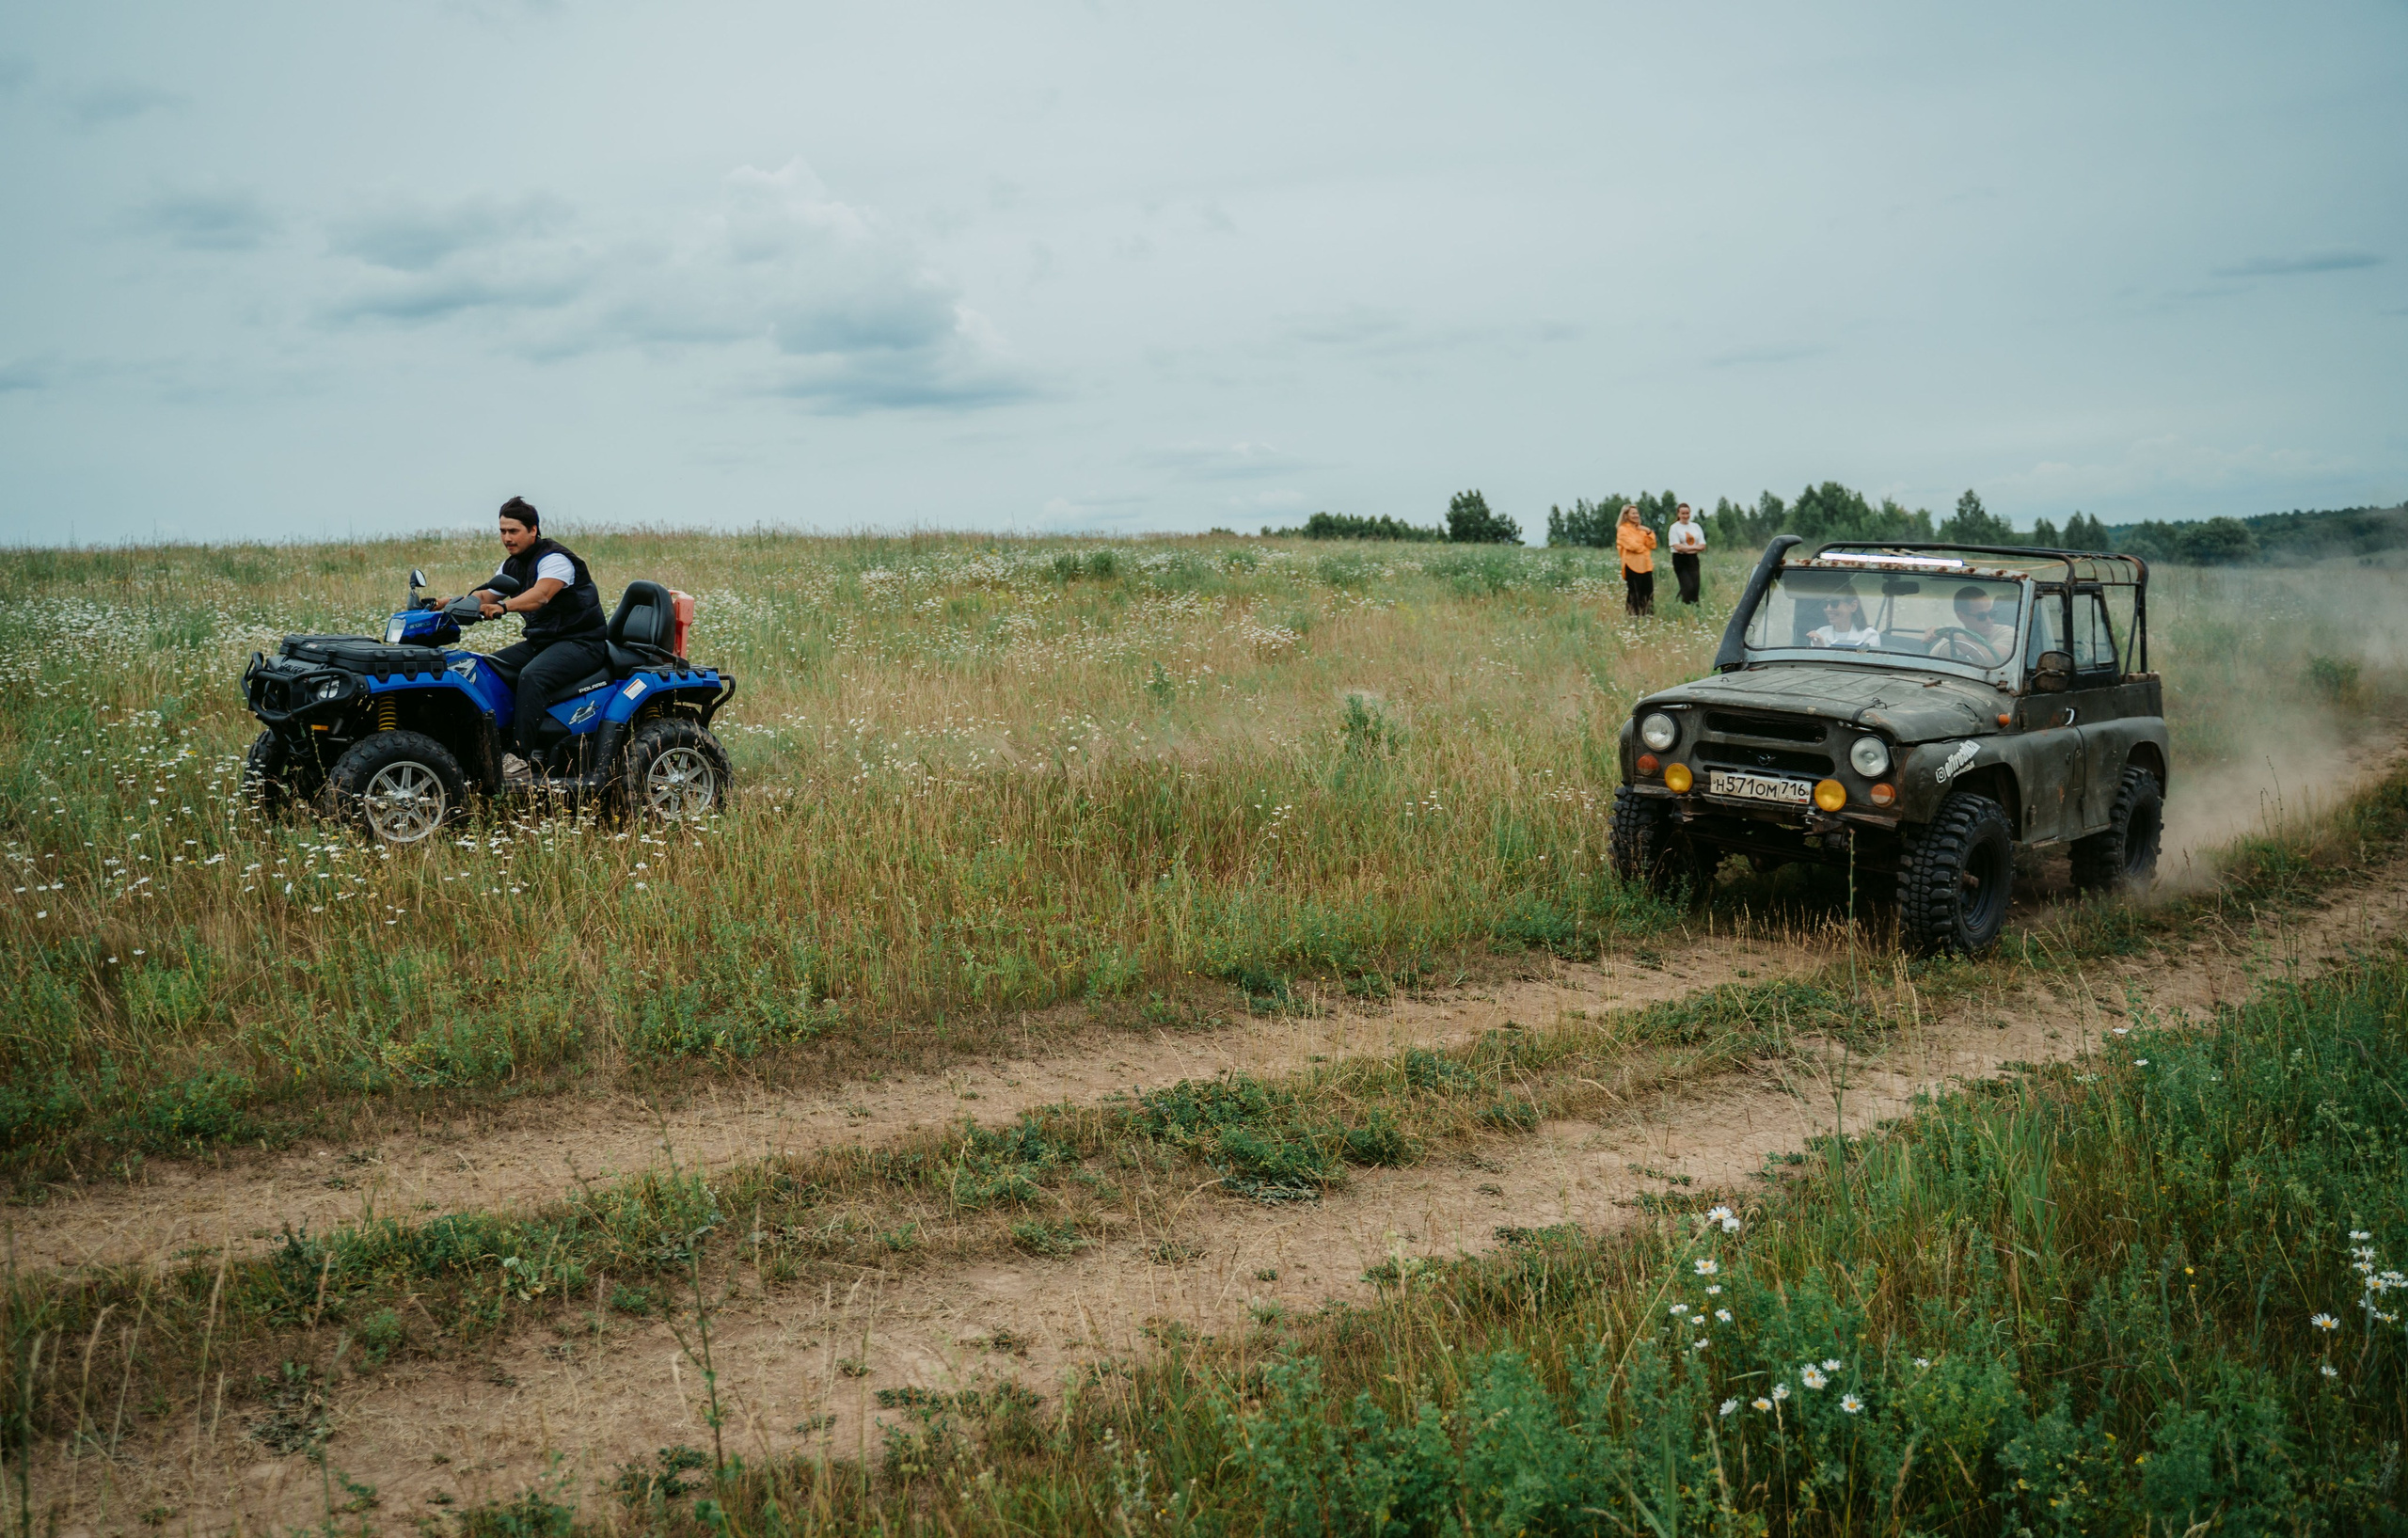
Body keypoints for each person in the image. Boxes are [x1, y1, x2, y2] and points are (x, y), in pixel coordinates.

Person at [451, 497, 609, 774]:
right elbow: (486, 593)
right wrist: (451, 605)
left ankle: (519, 757)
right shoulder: (512, 565)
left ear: (533, 530)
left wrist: (503, 607)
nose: (507, 538)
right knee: (486, 670)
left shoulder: (555, 559)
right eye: (502, 531)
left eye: (514, 531)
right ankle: (488, 745)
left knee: (534, 676)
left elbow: (541, 595)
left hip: (582, 642)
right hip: (543, 642)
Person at [1917, 584, 2017, 664]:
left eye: (1992, 614)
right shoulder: (1946, 645)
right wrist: (1935, 634)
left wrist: (1952, 636)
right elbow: (1929, 669)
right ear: (1961, 616)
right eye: (1981, 616)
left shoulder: (2008, 633)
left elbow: (1994, 659)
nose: (1989, 620)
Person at [1806, 590, 1882, 649]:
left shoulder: (1869, 636)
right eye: (1825, 604)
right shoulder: (1821, 633)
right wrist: (1820, 649)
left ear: (1853, 606)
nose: (1828, 609)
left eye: (1834, 603)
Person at [1616, 504, 1656, 616]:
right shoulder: (1622, 529)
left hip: (1646, 565)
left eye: (1637, 513)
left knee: (1648, 594)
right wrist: (1644, 548)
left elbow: (1652, 545)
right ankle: (1633, 619)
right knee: (1635, 594)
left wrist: (1648, 531)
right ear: (1626, 515)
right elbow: (1632, 546)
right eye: (1633, 513)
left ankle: (1648, 618)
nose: (1636, 515)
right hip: (1632, 565)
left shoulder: (1641, 529)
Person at [1667, 502, 1706, 604]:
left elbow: (1702, 546)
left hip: (1693, 559)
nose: (1685, 516)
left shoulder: (1695, 526)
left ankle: (1693, 607)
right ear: (1678, 514)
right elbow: (1677, 547)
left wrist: (1687, 548)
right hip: (1680, 559)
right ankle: (1679, 604)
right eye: (1683, 513)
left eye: (1687, 513)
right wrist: (1694, 547)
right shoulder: (1674, 528)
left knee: (1695, 587)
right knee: (1687, 586)